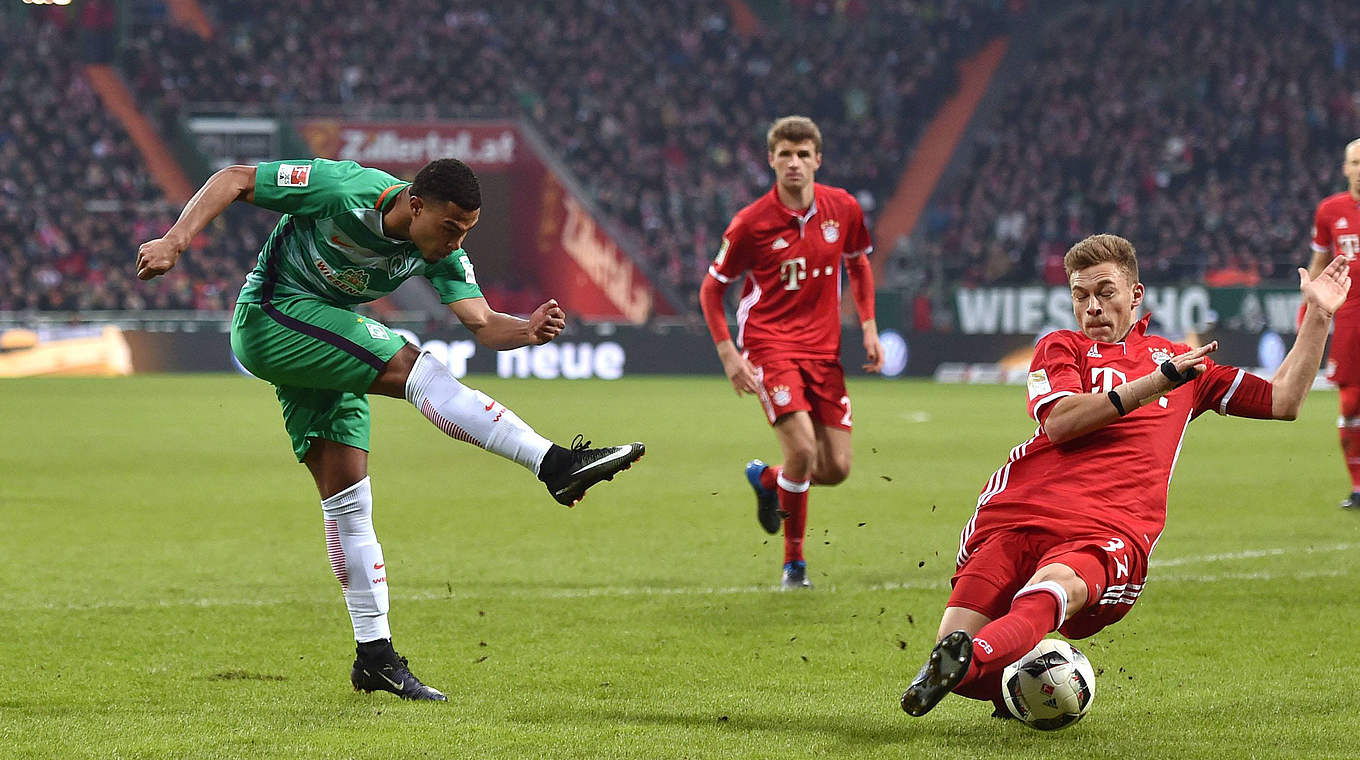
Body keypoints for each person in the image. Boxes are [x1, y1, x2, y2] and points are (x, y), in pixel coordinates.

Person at [136, 157, 645, 701]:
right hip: (270, 316)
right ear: (416, 205)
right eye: (451, 228)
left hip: (319, 344)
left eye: (466, 231)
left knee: (349, 503)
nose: (456, 242)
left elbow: (483, 324)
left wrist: (528, 330)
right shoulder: (343, 188)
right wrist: (175, 240)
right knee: (415, 368)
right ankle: (555, 465)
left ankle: (373, 658)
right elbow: (235, 178)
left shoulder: (443, 251)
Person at [900, 234, 1349, 719]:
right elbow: (1060, 422)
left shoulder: (1181, 364)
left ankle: (990, 662)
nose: (1092, 307)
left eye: (1105, 291)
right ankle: (1004, 676)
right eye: (1080, 295)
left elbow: (1283, 400)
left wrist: (1320, 316)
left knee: (1056, 586)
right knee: (953, 649)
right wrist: (1156, 383)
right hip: (1021, 512)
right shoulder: (1060, 347)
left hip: (1109, 525)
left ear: (1135, 295)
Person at [698, 116, 883, 589]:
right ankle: (794, 564)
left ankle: (768, 480)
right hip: (769, 345)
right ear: (771, 160)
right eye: (786, 154)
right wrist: (728, 355)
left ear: (818, 159)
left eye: (803, 154)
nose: (795, 162)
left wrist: (869, 327)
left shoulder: (843, 208)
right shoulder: (750, 223)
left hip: (823, 352)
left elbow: (858, 263)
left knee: (836, 468)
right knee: (803, 449)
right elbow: (710, 290)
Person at [1305, 138, 1360, 509]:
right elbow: (1319, 264)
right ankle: (1358, 486)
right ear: (1345, 168)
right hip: (1352, 316)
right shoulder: (1330, 210)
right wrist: (1308, 308)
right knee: (1351, 405)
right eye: (1355, 162)